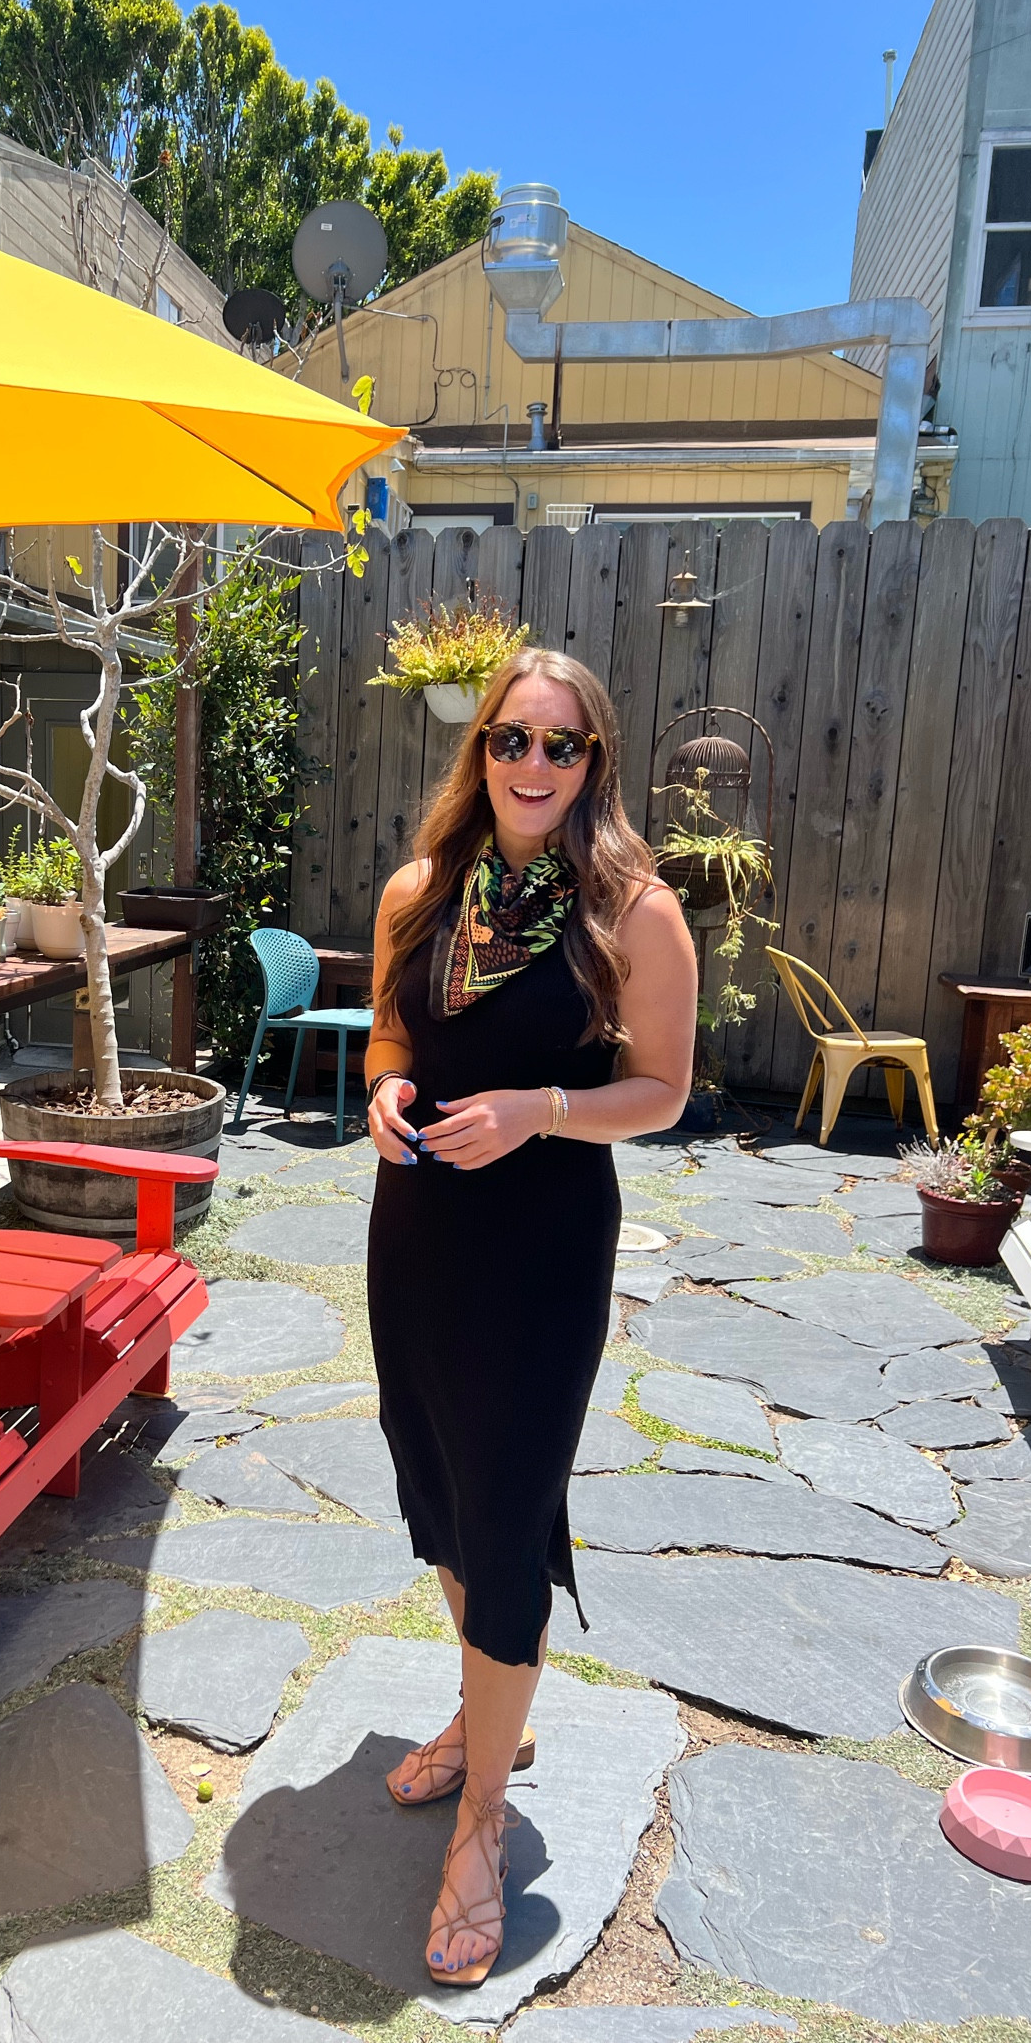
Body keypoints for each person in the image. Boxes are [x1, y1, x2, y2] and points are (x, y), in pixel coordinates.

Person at [364, 647, 696, 1989]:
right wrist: (383, 1093)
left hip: (544, 1250)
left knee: (506, 1514)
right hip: (419, 1234)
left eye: (563, 745)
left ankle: (484, 1821)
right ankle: (484, 1707)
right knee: (435, 1485)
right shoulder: (417, 892)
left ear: (594, 760)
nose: (534, 765)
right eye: (512, 740)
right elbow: (392, 1038)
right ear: (481, 750)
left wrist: (540, 1110)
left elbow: (663, 1091)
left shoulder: (634, 912)